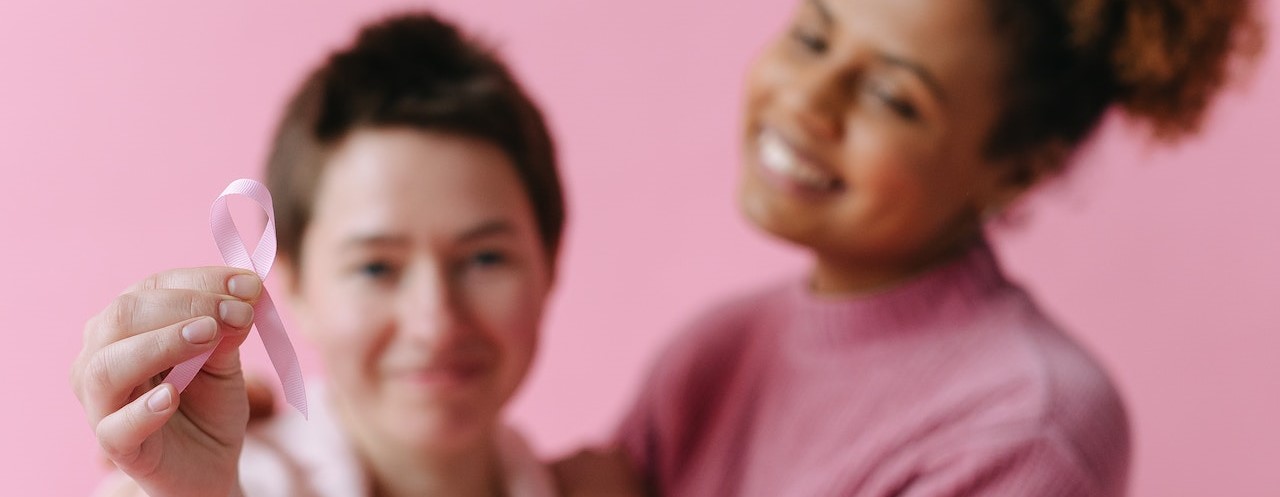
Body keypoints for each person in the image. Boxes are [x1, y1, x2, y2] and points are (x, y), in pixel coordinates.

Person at [559, 0, 1263, 495]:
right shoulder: (712, 356)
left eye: (894, 99)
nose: (809, 98)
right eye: (812, 36)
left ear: (1018, 169)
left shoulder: (1024, 426)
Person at [71, 11, 567, 497]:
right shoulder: (215, 483)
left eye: (485, 259)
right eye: (376, 267)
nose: (435, 322)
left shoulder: (608, 482)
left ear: (549, 264)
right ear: (295, 287)